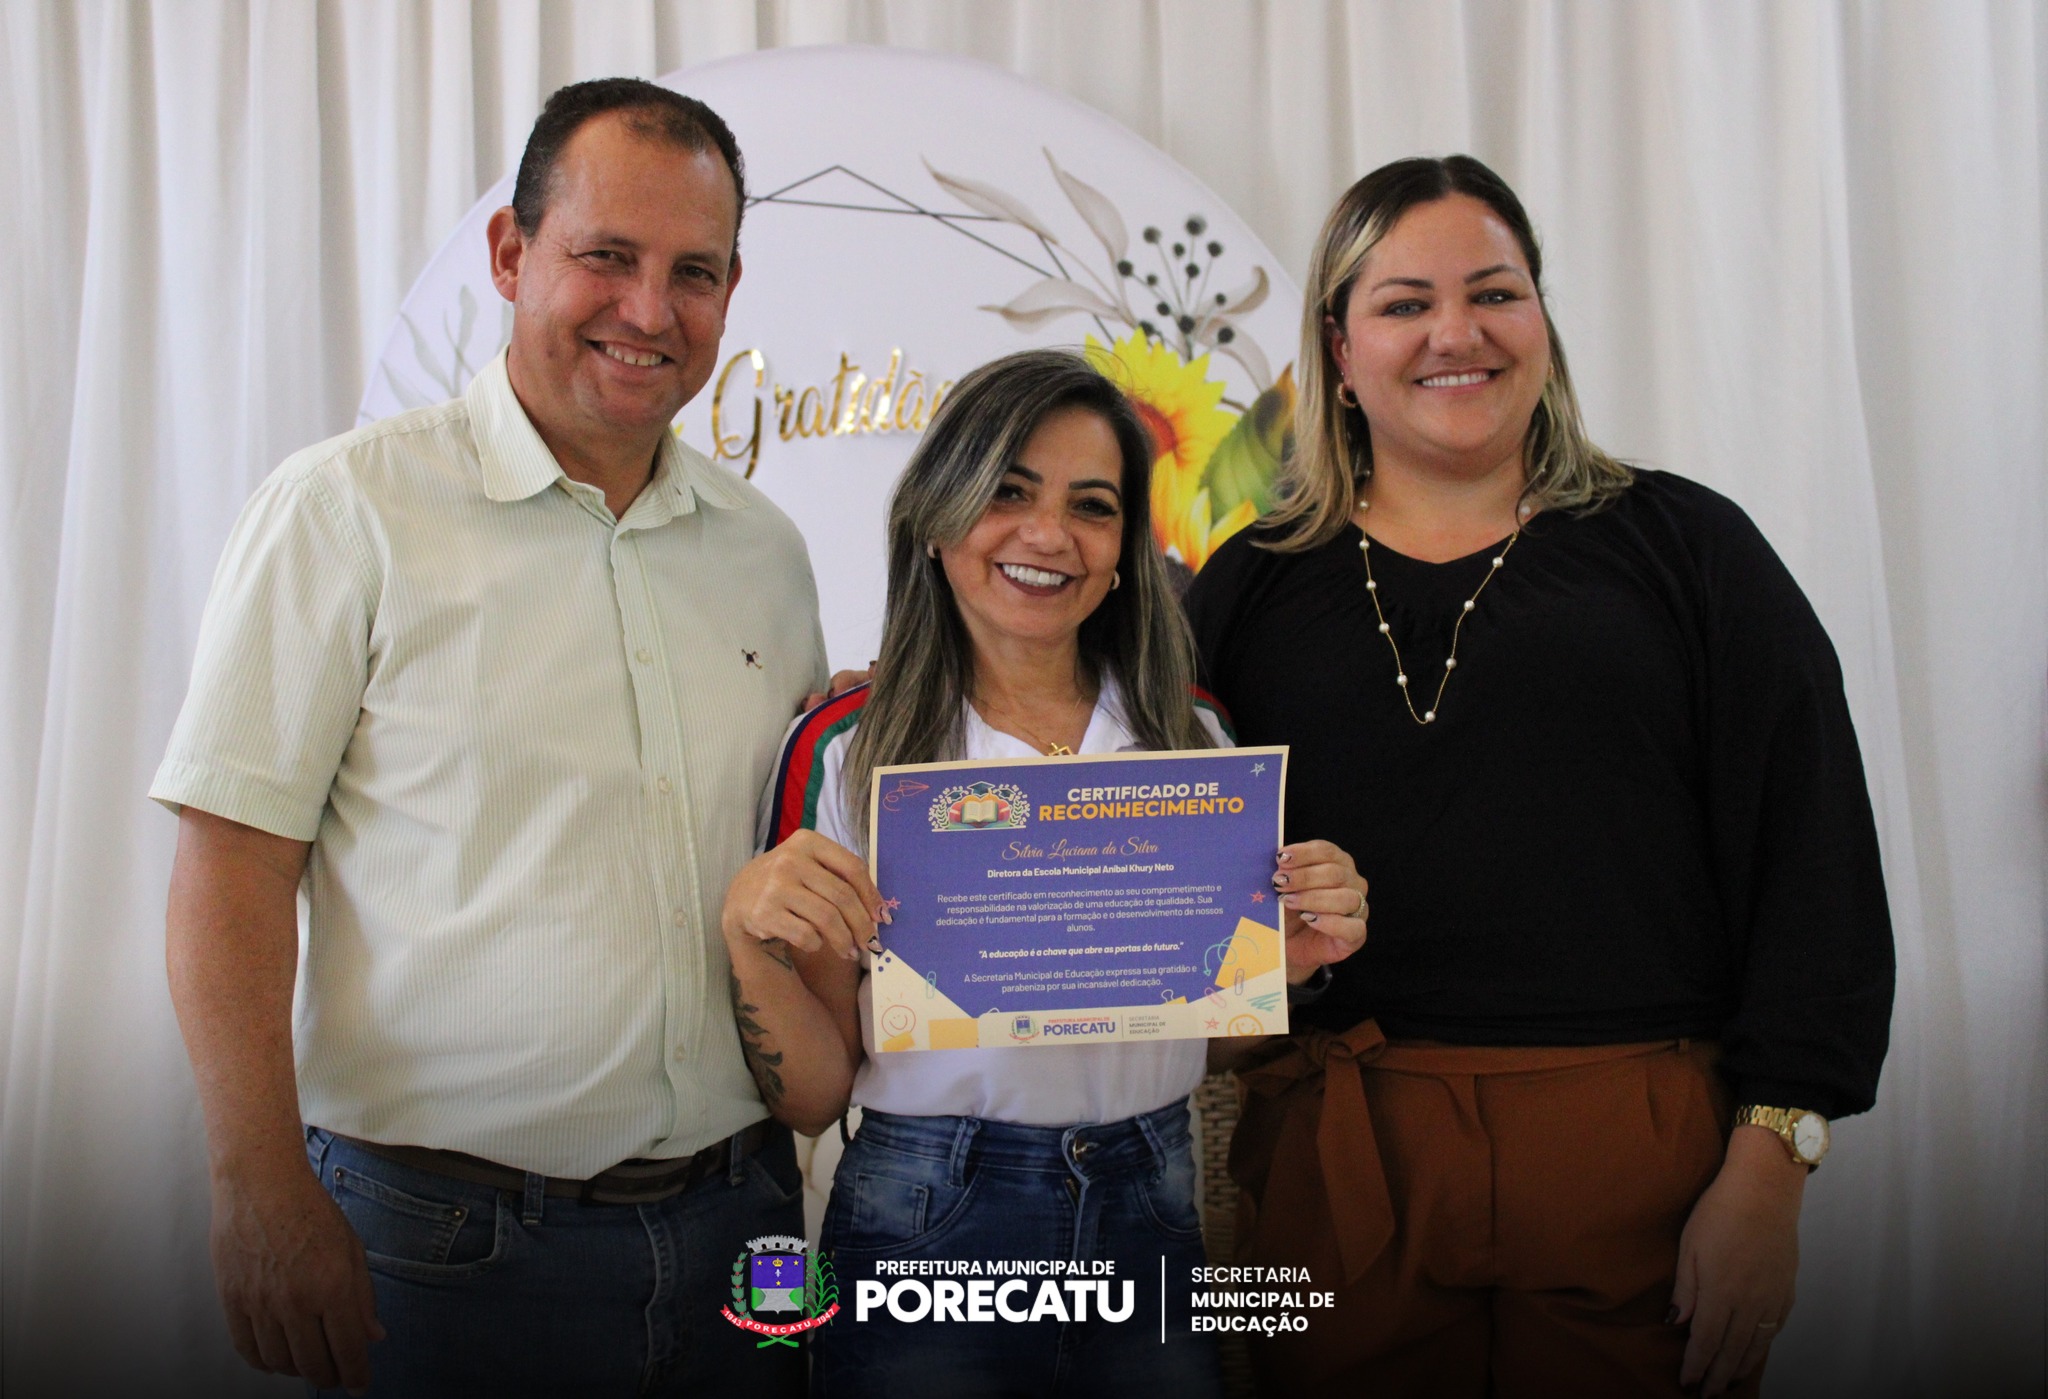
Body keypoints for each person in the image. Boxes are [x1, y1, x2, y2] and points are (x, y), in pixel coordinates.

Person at [1183, 155, 1896, 1399]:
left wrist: (1770, 1165)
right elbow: (1134, 819)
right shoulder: (1247, 584)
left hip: (1637, 1145)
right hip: (1339, 1151)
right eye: (1404, 303)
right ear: (1338, 352)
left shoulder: (1688, 548)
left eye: (1494, 293)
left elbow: (1813, 853)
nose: (1454, 332)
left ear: (1542, 324)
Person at [153, 79, 825, 1397]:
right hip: (438, 1247)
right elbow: (231, 865)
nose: (649, 310)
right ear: (511, 255)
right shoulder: (344, 511)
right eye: (606, 256)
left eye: (692, 272)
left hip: (739, 1225)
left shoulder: (765, 552)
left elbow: (785, 849)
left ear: (732, 289)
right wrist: (257, 1189)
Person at [715, 349, 1369, 1398]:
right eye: (1007, 492)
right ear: (936, 519)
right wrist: (749, 940)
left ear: (1123, 552)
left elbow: (1215, 1041)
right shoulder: (847, 748)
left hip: (1152, 1198)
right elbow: (813, 1092)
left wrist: (1286, 965)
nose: (1048, 534)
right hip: (927, 1214)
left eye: (1091, 506)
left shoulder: (1192, 739)